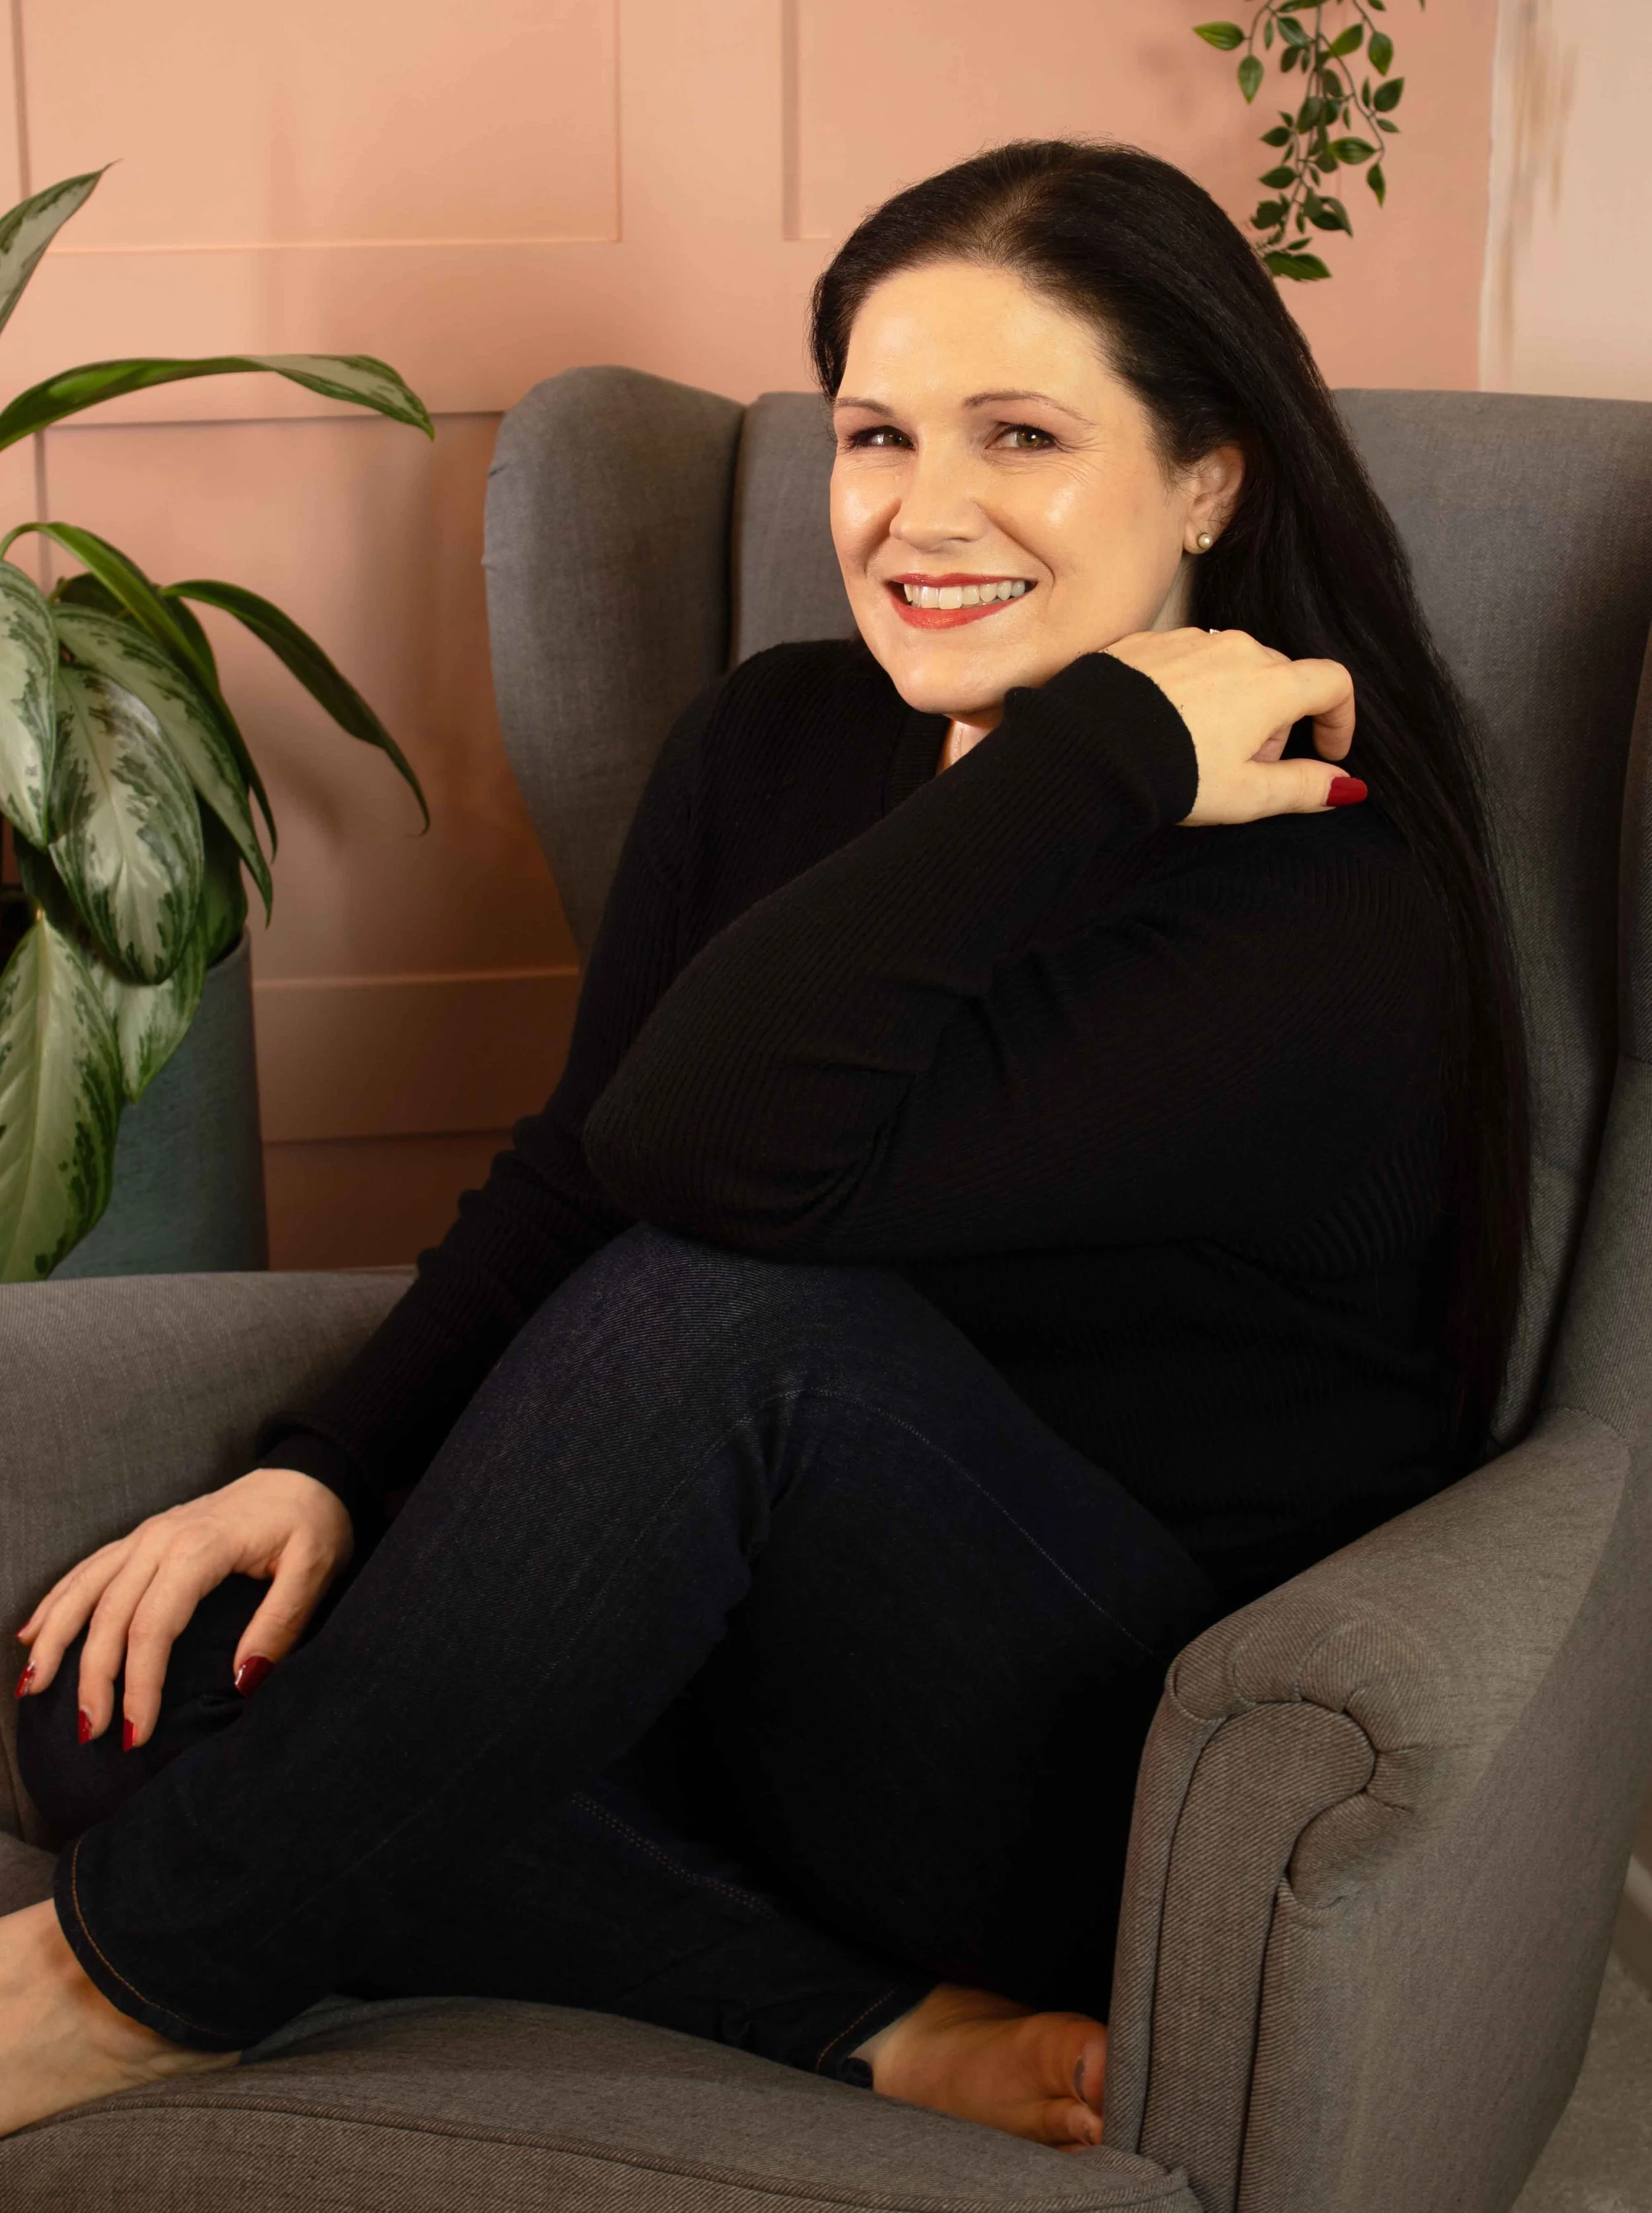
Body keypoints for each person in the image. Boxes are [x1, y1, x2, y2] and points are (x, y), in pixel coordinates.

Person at [1, 140, 1529, 2151]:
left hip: (1060, 1744)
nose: (921, 510)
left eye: (1023, 435)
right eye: (875, 432)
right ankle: (860, 2021)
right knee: (128, 1667)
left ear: (1211, 479)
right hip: (720, 1655)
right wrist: (324, 1465)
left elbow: (713, 1172)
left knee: (724, 1312)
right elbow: (581, 1158)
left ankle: (124, 1983)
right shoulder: (780, 741)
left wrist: (1101, 749)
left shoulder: (1322, 905)